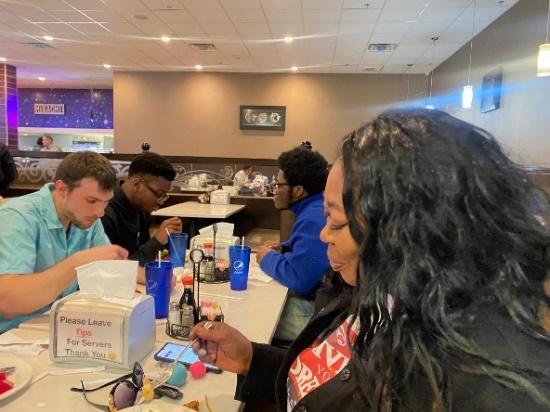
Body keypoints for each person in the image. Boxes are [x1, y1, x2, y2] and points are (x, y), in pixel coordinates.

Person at [191, 109, 550, 411]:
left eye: (335, 220)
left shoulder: (491, 386)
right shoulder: (376, 288)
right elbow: (328, 383)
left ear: (406, 229)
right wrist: (253, 360)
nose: (323, 234)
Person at [0, 152, 128, 333]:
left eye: (105, 202)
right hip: (11, 339)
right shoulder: (18, 217)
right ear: (61, 189)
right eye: (91, 200)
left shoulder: (86, 218)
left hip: (58, 330)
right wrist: (78, 262)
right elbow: (7, 301)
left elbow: (110, 266)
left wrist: (152, 277)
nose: (100, 212)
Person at [256, 147, 330, 341]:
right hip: (325, 304)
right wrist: (285, 247)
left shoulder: (313, 218)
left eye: (279, 185)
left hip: (321, 317)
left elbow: (299, 278)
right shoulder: (316, 207)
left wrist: (266, 257)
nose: (274, 190)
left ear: (298, 191)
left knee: (257, 314)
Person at [101, 152, 181, 283]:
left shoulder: (140, 208)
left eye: (164, 196)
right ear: (137, 184)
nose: (160, 202)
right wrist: (157, 242)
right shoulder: (105, 213)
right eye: (159, 194)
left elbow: (142, 256)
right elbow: (112, 271)